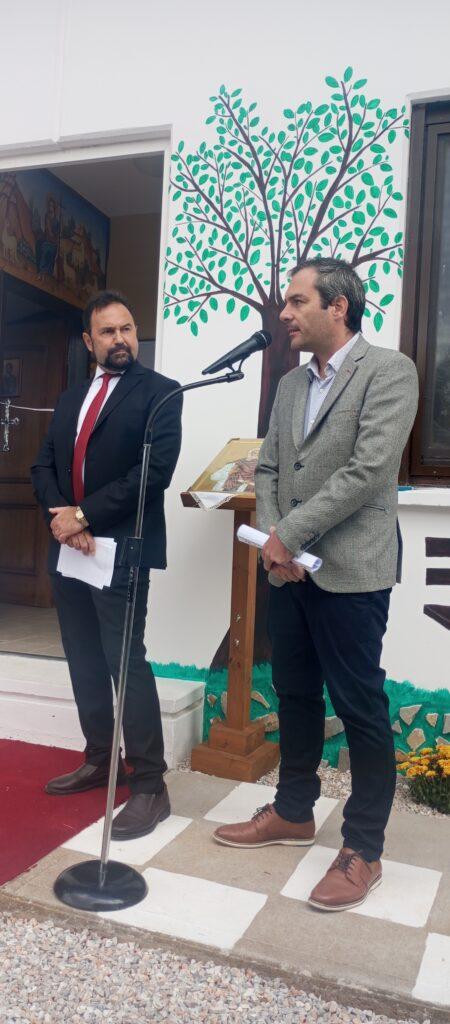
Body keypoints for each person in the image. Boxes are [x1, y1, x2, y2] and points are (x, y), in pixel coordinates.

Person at [213, 258, 419, 911]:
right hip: (288, 570)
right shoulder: (290, 383)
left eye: (298, 301)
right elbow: (270, 468)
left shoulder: (390, 372)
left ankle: (364, 849)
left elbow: (368, 470)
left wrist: (288, 534)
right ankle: (293, 811)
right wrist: (276, 542)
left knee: (359, 705)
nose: (284, 313)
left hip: (352, 571)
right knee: (295, 692)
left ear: (338, 306)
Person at [31, 290, 182, 840]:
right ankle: (100, 758)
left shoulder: (161, 394)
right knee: (83, 658)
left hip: (122, 550)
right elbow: (43, 465)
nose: (121, 339)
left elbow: (152, 474)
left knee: (125, 662)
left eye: (128, 329)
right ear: (88, 341)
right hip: (71, 550)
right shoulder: (71, 397)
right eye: (108, 332)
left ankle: (151, 786)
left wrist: (84, 515)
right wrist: (63, 519)